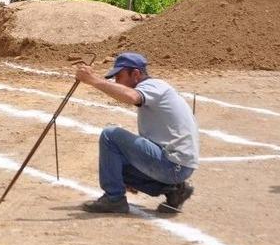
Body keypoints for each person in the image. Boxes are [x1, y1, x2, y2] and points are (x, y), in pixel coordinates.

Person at [75, 52, 199, 214]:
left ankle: (114, 200)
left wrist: (93, 80)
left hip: (174, 165)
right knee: (115, 166)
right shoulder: (155, 89)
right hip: (177, 165)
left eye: (119, 76)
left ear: (135, 74)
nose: (116, 81)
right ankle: (174, 190)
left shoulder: (154, 86)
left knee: (110, 135)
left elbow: (132, 96)